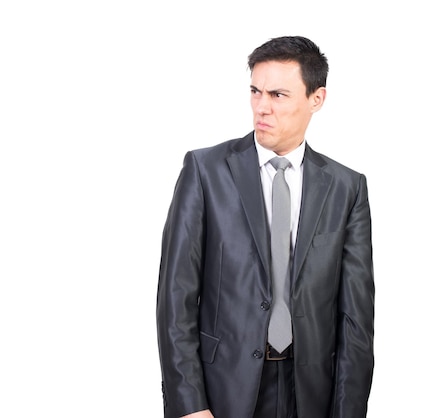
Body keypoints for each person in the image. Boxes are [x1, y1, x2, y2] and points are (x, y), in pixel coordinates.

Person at [156, 36, 374, 418]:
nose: (261, 107)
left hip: (311, 393)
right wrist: (189, 405)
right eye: (255, 91)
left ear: (316, 99)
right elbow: (175, 298)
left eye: (277, 95)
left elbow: (356, 319)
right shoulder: (204, 171)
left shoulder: (346, 187)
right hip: (222, 389)